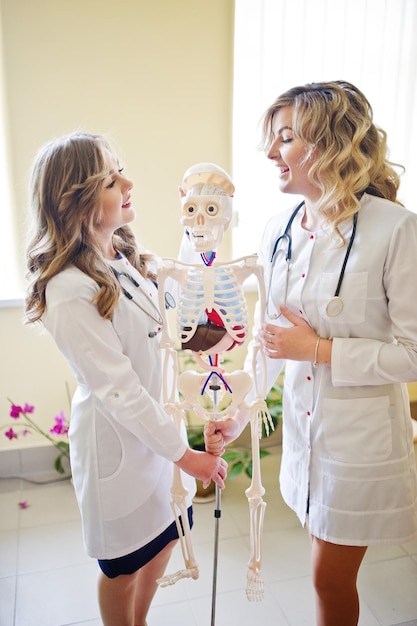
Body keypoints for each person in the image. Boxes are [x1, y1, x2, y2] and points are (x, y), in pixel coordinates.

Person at [204, 81, 417, 625]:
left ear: (326, 144)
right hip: (305, 439)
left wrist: (320, 350)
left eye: (286, 138)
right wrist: (240, 411)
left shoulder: (395, 229)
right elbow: (270, 340)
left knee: (328, 579)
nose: (271, 153)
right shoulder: (280, 231)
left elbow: (413, 354)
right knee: (324, 575)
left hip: (360, 443)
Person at [24, 131, 227, 626]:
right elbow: (122, 392)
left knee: (164, 542)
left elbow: (170, 327)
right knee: (124, 569)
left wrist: (210, 353)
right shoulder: (68, 288)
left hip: (159, 441)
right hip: (122, 449)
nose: (129, 182)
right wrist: (186, 455)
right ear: (78, 197)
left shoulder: (122, 257)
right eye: (113, 178)